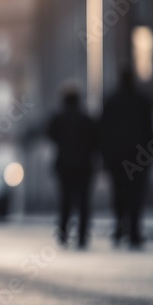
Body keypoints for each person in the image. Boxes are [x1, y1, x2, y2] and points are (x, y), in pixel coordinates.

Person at [101, 67, 153, 249]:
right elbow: (150, 130)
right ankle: (134, 231)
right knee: (136, 194)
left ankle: (119, 226)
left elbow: (103, 132)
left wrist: (105, 157)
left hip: (116, 158)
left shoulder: (111, 102)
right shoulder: (142, 101)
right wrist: (149, 155)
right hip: (138, 157)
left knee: (118, 193)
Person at [45, 84, 99, 248]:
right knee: (83, 202)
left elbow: (50, 135)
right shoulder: (86, 120)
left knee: (65, 201)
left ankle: (63, 233)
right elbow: (95, 141)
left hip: (65, 167)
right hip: (84, 167)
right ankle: (82, 236)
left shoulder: (58, 119)